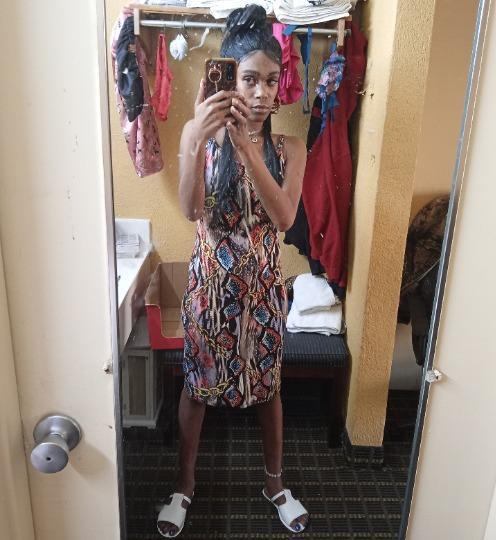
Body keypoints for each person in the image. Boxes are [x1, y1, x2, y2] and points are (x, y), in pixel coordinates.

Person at [156, 5, 309, 537]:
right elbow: (190, 209)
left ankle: (274, 485)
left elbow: (284, 218)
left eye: (271, 79)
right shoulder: (199, 136)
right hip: (210, 291)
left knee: (268, 389)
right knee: (197, 388)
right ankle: (184, 485)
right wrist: (196, 140)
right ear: (228, 79)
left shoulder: (290, 149)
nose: (262, 93)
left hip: (263, 292)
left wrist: (245, 147)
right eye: (249, 79)